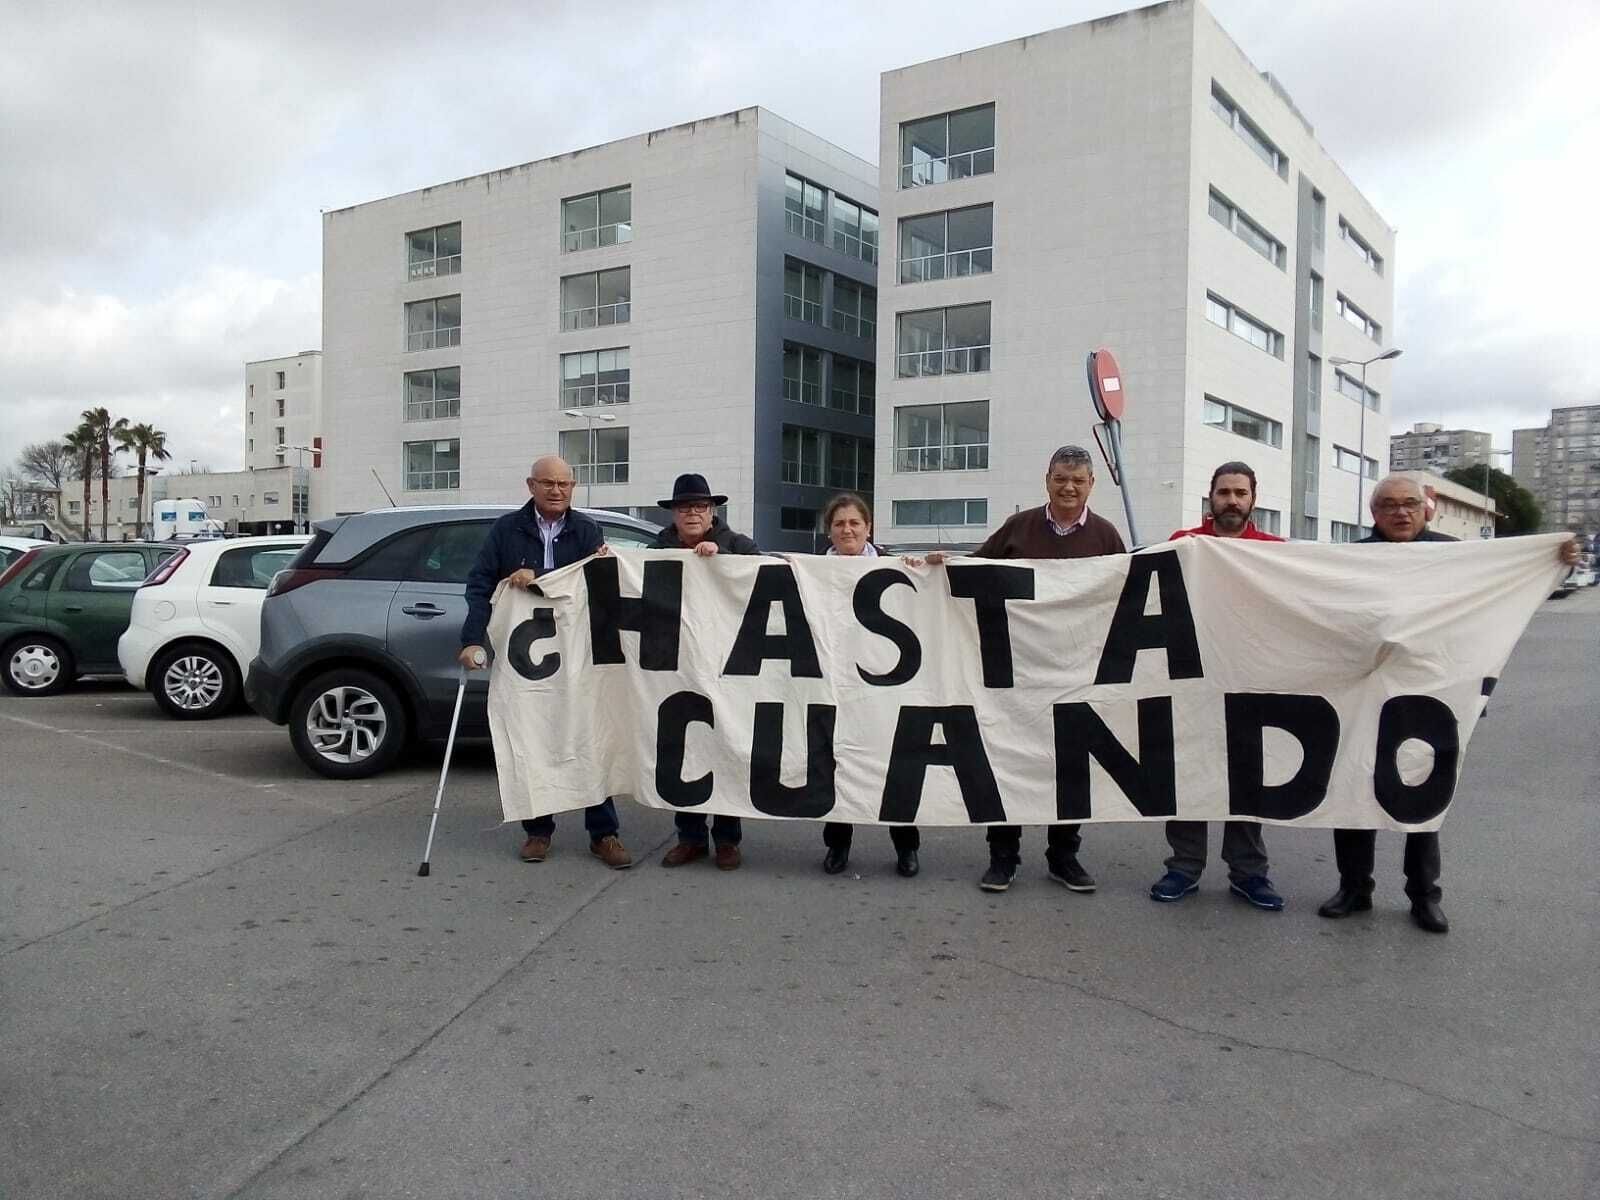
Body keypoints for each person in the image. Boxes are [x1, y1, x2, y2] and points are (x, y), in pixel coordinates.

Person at [1316, 474, 1582, 934]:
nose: (1401, 512)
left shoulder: (1456, 558)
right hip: (1364, 694)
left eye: (1410, 504)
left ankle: (1424, 896)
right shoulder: (1352, 559)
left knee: (1422, 796)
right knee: (1355, 793)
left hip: (1434, 693)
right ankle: (1355, 888)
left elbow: (1509, 590)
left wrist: (1559, 560)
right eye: (1390, 505)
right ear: (1373, 513)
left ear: (1427, 510)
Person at [459, 454, 632, 870]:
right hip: (527, 659)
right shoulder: (506, 530)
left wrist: (606, 565)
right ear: (531, 485)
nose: (557, 491)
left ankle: (603, 833)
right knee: (533, 735)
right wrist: (471, 639)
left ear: (573, 488)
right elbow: (480, 585)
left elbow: (595, 589)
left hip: (578, 656)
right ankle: (538, 831)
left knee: (588, 736)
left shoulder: (587, 529)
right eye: (548, 483)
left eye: (564, 484)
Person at [970, 444, 1127, 894]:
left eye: (1078, 480)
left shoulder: (1105, 536)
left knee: (1071, 768)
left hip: (1077, 672)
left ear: (1092, 484)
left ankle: (1064, 856)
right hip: (1018, 671)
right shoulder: (1018, 528)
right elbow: (975, 569)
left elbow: (1125, 595)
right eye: (1061, 478)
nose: (1069, 487)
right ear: (1047, 480)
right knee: (1010, 762)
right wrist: (936, 567)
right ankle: (1003, 856)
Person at [1149, 461, 1285, 911]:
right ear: (1210, 497)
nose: (1231, 500)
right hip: (1192, 680)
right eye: (1223, 492)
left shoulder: (1278, 552)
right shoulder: (1184, 545)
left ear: (1253, 498)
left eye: (1239, 493)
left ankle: (1249, 872)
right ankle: (1183, 867)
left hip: (1252, 681)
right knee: (1187, 774)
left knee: (1246, 779)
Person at [816, 492, 946, 879]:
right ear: (830, 531)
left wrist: (925, 569)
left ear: (868, 527)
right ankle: (838, 845)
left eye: (855, 522)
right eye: (839, 524)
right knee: (837, 764)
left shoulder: (896, 568)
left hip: (888, 686)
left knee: (897, 763)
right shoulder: (811, 572)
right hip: (836, 687)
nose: (847, 530)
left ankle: (906, 847)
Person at [653, 473, 761, 871]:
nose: (692, 513)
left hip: (727, 666)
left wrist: (726, 562)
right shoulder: (659, 547)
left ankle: (728, 840)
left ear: (712, 512)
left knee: (725, 747)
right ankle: (690, 838)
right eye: (685, 507)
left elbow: (766, 573)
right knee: (683, 749)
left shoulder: (736, 544)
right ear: (674, 514)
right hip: (678, 667)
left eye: (700, 506)